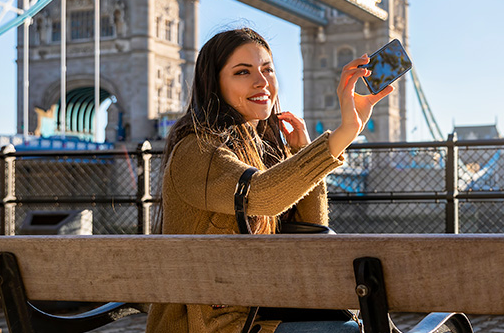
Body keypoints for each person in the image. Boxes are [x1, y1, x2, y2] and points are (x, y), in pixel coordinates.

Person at [145, 28, 393, 333]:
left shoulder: (261, 149)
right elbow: (262, 195)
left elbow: (311, 230)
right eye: (242, 72)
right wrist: (342, 135)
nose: (261, 81)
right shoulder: (196, 151)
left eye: (267, 69)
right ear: (214, 84)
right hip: (210, 326)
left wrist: (300, 152)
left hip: (262, 312)